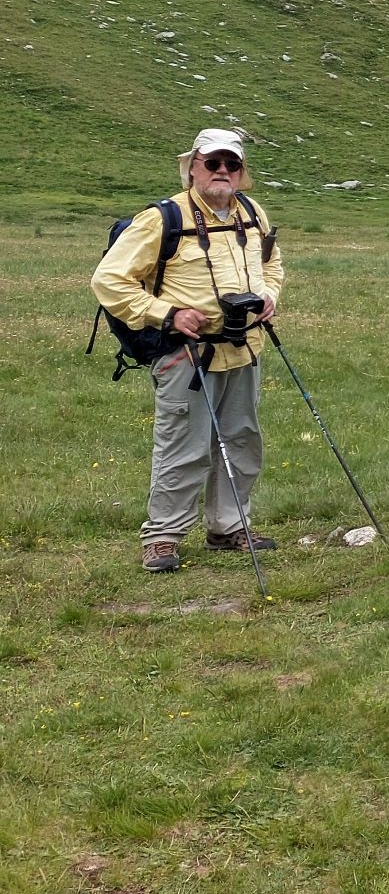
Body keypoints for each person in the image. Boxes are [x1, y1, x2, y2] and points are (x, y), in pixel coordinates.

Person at [92, 129, 285, 573]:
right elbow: (108, 279)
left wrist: (268, 295)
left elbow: (270, 262)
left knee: (241, 440)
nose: (222, 171)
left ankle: (228, 527)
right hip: (187, 354)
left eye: (232, 164)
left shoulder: (252, 212)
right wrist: (167, 314)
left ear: (241, 171)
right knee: (183, 445)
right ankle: (162, 536)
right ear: (192, 167)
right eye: (212, 163)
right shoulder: (163, 219)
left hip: (244, 347)